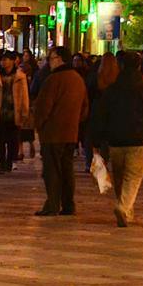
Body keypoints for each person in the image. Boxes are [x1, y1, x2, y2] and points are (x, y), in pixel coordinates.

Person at [89, 51, 143, 227]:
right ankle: (123, 207)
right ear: (138, 66)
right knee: (133, 177)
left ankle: (127, 211)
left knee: (121, 177)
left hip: (116, 141)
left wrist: (97, 139)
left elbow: (101, 115)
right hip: (137, 140)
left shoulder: (112, 90)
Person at [32, 47, 88, 217]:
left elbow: (43, 107)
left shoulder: (54, 79)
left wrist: (39, 124)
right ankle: (68, 204)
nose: (49, 61)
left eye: (52, 57)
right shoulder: (78, 79)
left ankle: (53, 204)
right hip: (71, 132)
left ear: (61, 59)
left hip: (53, 133)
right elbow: (85, 108)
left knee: (52, 170)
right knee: (66, 169)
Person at [0, 52, 30, 174]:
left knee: (12, 140)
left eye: (6, 60)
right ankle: (2, 162)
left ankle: (9, 162)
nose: (3, 62)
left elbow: (24, 95)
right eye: (2, 60)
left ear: (13, 61)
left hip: (14, 112)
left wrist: (25, 112)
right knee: (0, 140)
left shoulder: (20, 76)